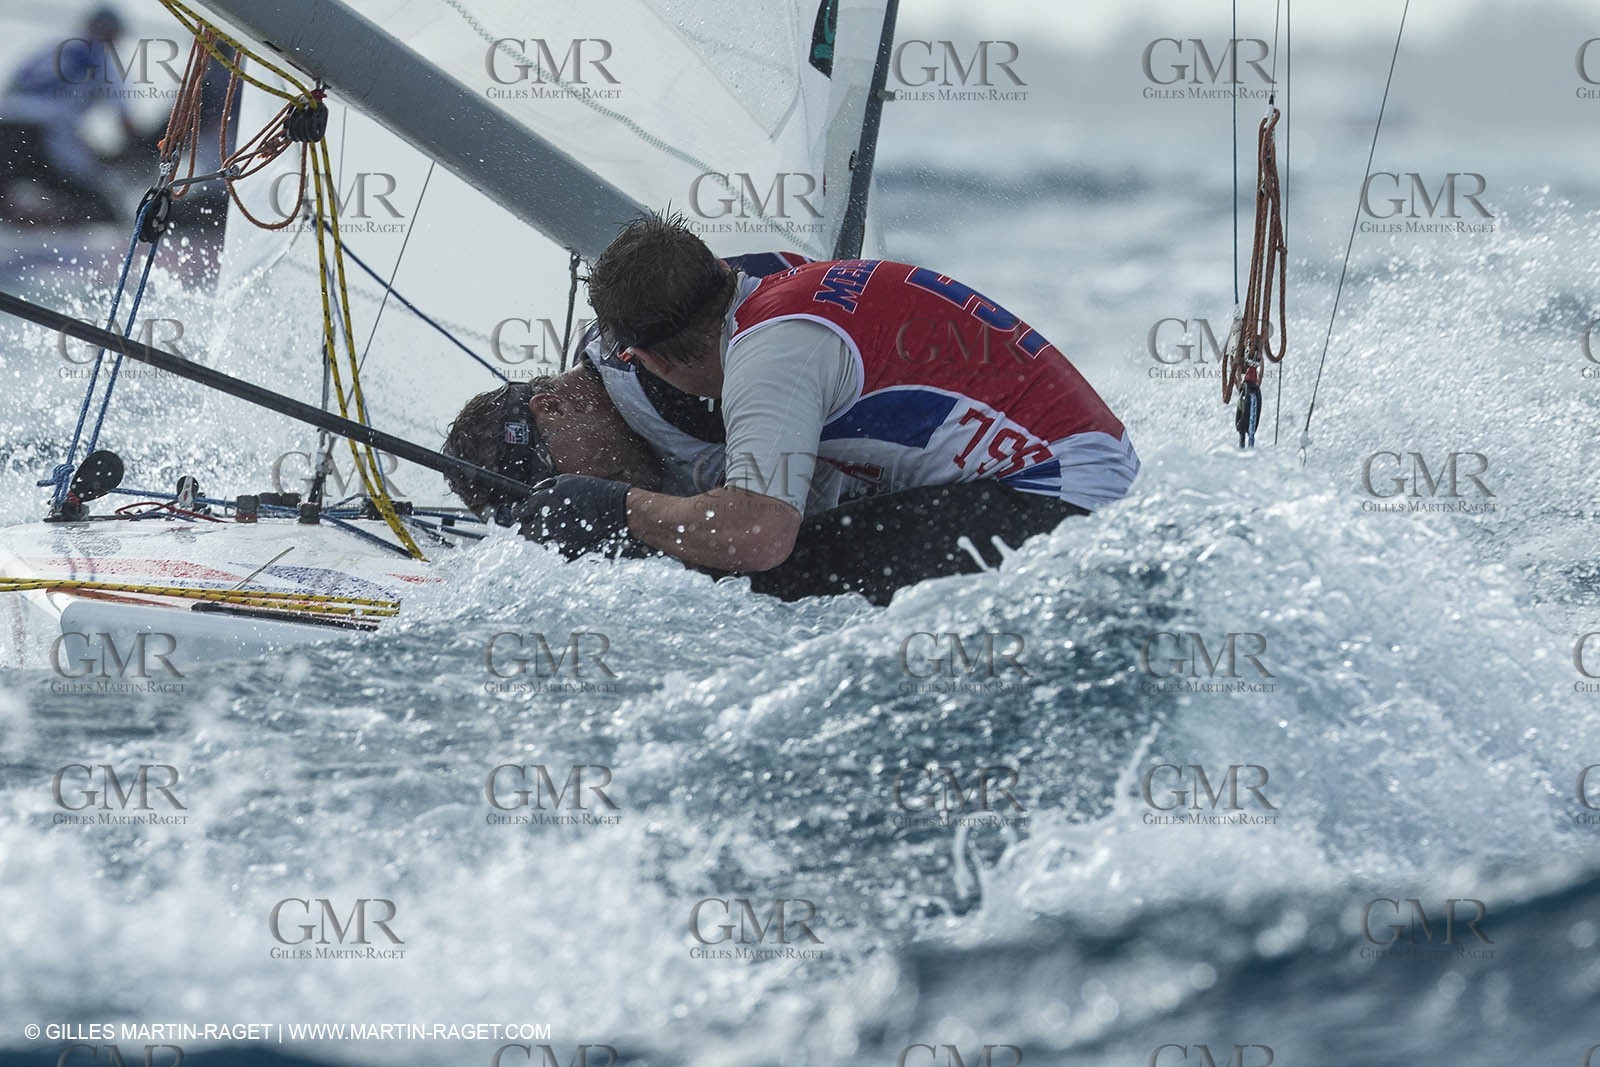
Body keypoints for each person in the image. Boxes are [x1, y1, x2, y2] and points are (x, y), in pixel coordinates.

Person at [449, 216, 1139, 603]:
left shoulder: (770, 354)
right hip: (1081, 486)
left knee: (755, 579)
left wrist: (612, 507)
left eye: (548, 475)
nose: (559, 490)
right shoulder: (770, 288)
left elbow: (758, 537)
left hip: (1058, 504)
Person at [0, 7, 140, 223]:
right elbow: (124, 118)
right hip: (45, 132)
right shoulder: (102, 57)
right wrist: (140, 149)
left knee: (10, 194)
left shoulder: (49, 49)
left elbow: (14, 90)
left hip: (6, 125)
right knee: (94, 199)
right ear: (113, 34)